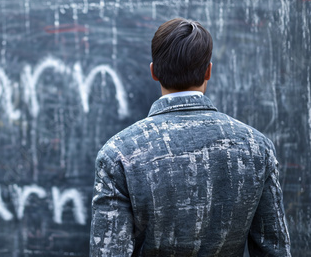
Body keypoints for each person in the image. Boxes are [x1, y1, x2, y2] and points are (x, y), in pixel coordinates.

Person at [90, 18, 291, 256]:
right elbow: (274, 249)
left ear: (154, 71)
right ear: (208, 70)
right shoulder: (257, 148)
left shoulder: (118, 154)